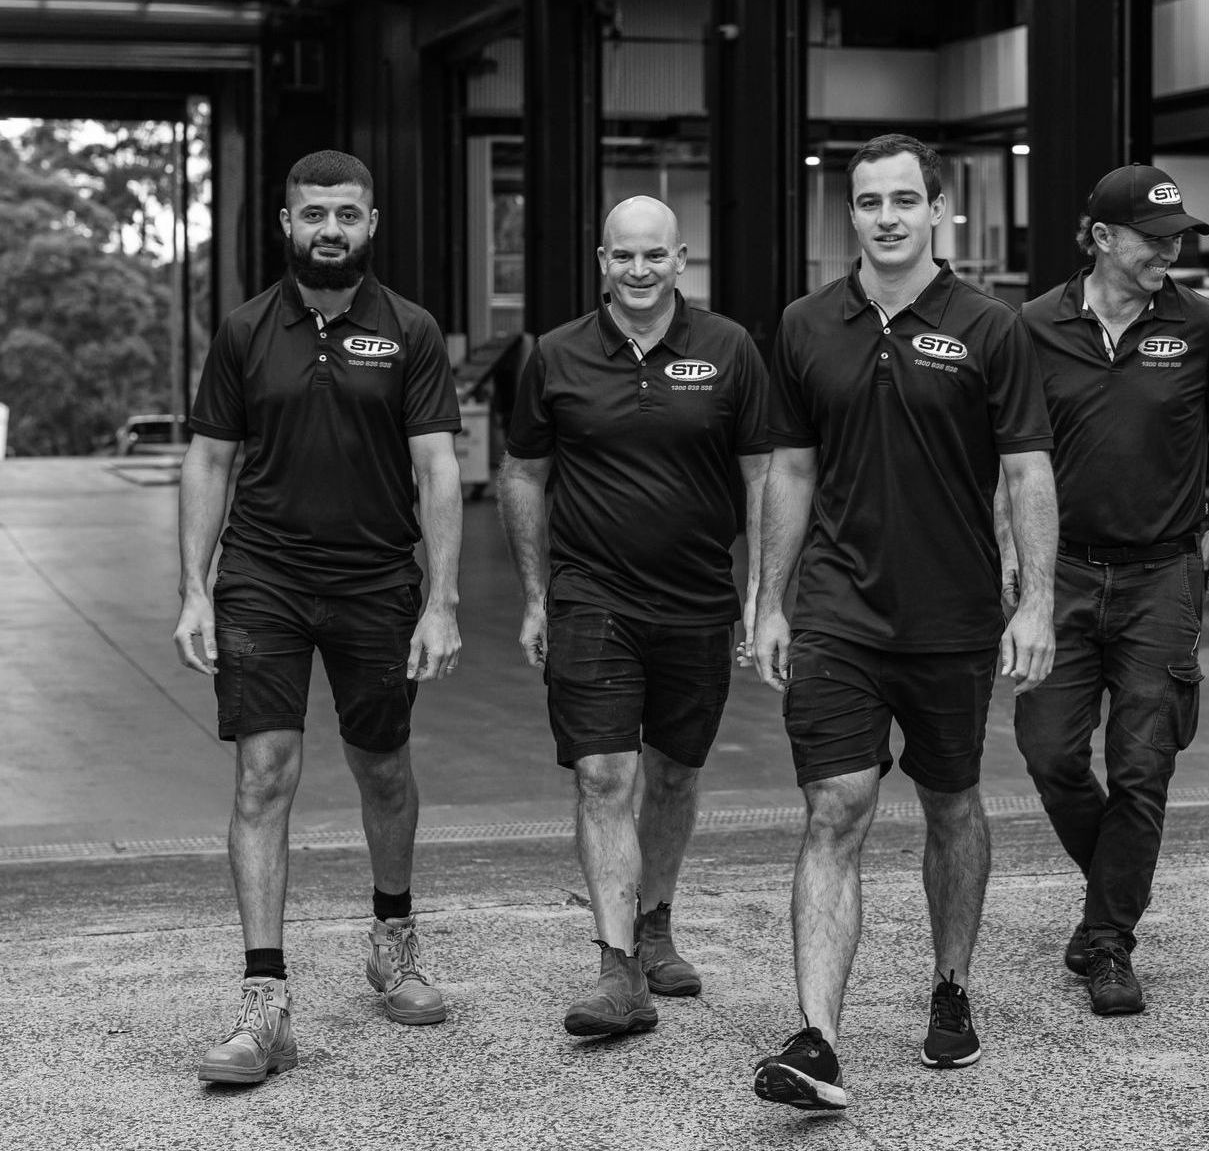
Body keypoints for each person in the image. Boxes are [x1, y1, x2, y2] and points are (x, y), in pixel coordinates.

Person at [749, 134, 1057, 1111]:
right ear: (849, 213)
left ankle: (952, 985)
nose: (886, 217)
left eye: (904, 200)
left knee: (951, 803)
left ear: (938, 209)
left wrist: (1038, 597)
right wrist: (768, 598)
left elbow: (1027, 471)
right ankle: (816, 1038)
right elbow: (790, 469)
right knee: (835, 806)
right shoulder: (804, 325)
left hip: (954, 611)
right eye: (868, 201)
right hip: (839, 606)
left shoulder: (990, 328)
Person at [173, 149, 462, 1084]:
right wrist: (193, 587)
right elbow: (210, 461)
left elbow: (437, 468)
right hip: (264, 575)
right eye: (312, 215)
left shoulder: (410, 330)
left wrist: (443, 598)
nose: (328, 230)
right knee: (264, 772)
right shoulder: (246, 330)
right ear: (286, 224)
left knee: (383, 767)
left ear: (370, 224)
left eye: (346, 215)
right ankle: (265, 1002)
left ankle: (393, 940)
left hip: (377, 578)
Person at [496, 196, 770, 1037]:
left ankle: (655, 923)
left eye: (655, 256)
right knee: (604, 774)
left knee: (676, 772)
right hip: (593, 595)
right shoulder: (554, 354)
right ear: (602, 260)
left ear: (681, 258)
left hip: (697, 602)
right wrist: (539, 593)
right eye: (624, 257)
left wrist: (762, 595)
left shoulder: (729, 348)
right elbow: (521, 475)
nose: (639, 271)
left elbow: (764, 476)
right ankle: (617, 971)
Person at [1013, 164, 1209, 1015]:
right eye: (1154, 237)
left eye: (1177, 236)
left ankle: (1110, 939)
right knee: (1048, 751)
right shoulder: (1034, 326)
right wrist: (1016, 557)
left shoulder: (1203, 324)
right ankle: (1111, 885)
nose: (1171, 249)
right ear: (1101, 237)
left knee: (1144, 763)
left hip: (1163, 571)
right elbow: (1008, 453)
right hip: (1065, 570)